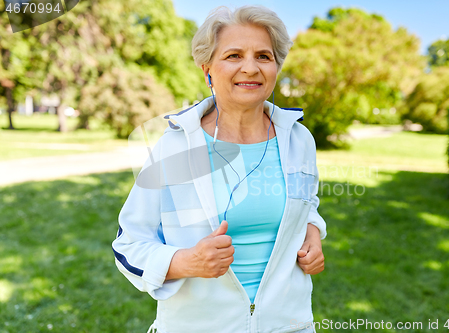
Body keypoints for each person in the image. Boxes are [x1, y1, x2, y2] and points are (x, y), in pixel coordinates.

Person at [112, 5, 327, 333]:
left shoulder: (298, 139)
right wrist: (188, 262)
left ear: (277, 66)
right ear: (207, 69)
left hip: (290, 324)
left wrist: (312, 230)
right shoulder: (178, 147)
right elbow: (129, 245)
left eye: (264, 56)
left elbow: (306, 203)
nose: (250, 68)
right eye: (234, 55)